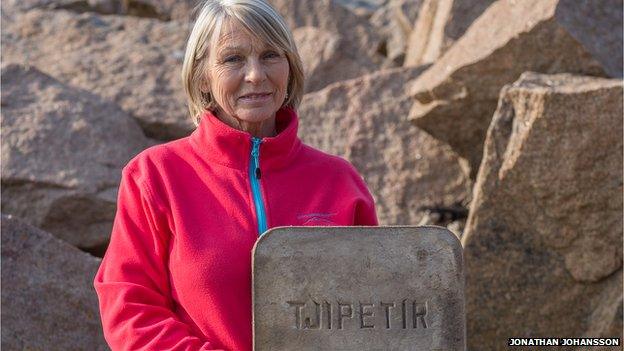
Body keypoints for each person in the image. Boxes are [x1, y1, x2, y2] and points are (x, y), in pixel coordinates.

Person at [93, 0, 378, 350]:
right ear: (202, 76)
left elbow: (375, 310)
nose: (256, 74)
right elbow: (129, 308)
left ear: (290, 68)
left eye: (271, 55)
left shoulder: (339, 180)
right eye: (233, 59)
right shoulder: (155, 175)